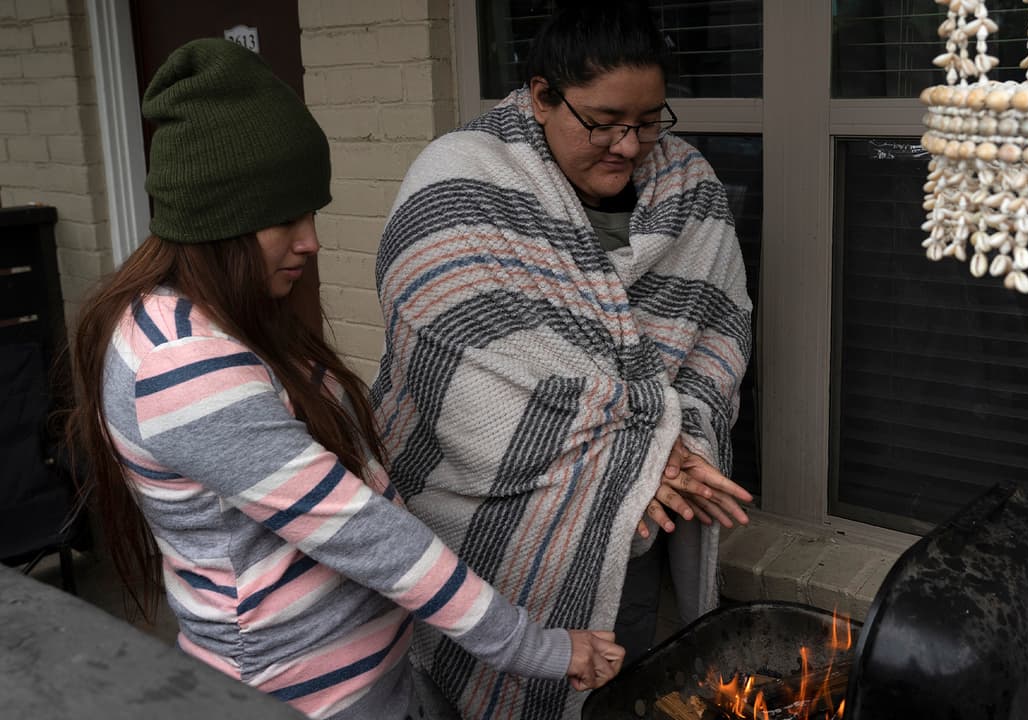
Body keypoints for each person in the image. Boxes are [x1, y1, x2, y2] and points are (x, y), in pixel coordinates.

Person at [65, 38, 622, 720]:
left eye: (313, 214)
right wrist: (538, 648)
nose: (312, 241)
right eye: (285, 219)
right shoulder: (185, 366)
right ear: (219, 222)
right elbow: (364, 533)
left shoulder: (218, 319)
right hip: (303, 698)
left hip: (361, 683)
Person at [371, 3, 754, 718]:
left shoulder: (687, 185)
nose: (629, 145)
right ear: (543, 95)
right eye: (604, 121)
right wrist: (649, 447)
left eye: (647, 121)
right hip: (479, 528)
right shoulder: (462, 175)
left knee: (612, 692)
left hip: (625, 537)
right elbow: (454, 346)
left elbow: (716, 332)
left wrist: (676, 443)